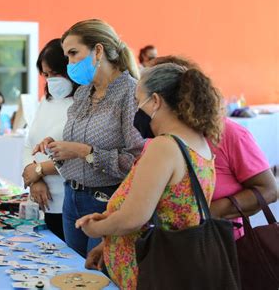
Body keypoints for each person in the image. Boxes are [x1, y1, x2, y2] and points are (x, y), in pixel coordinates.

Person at [76, 61, 224, 288]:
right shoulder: (198, 142)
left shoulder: (164, 147)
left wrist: (95, 229)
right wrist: (108, 244)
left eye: (138, 101)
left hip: (148, 271)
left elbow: (133, 218)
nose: (136, 109)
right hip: (171, 264)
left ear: (155, 101)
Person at [34, 19, 144, 257]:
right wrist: (57, 148)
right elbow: (74, 143)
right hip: (71, 197)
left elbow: (136, 162)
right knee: (72, 274)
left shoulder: (130, 94)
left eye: (74, 54)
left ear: (98, 50)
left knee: (98, 277)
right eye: (67, 56)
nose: (70, 63)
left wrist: (85, 151)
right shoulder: (83, 92)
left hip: (106, 202)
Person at [150, 56, 278, 238]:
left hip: (218, 248)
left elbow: (269, 190)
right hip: (167, 247)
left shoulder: (228, 134)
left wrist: (207, 212)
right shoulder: (154, 135)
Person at [22, 38, 78, 241]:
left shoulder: (82, 104)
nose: (51, 80)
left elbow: (81, 154)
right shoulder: (46, 101)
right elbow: (29, 144)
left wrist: (39, 170)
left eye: (55, 73)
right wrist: (34, 179)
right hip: (43, 200)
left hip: (70, 199)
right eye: (45, 75)